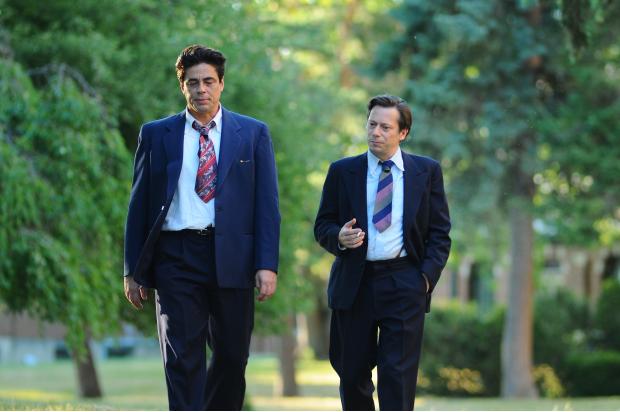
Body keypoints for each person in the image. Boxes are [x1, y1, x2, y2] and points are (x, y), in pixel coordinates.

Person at [123, 45, 280, 411]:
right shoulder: (156, 134)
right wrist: (132, 270)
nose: (201, 89)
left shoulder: (252, 134)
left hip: (233, 257)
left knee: (232, 357)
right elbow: (139, 206)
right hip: (175, 256)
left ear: (221, 84)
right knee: (182, 358)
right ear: (183, 86)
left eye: (209, 81)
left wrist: (266, 264)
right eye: (193, 82)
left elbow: (266, 205)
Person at [314, 95, 451, 410]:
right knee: (352, 375)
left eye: (385, 127)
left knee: (398, 379)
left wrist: (424, 280)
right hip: (354, 283)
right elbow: (323, 225)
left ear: (403, 133)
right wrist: (339, 237)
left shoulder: (426, 171)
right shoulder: (342, 171)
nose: (375, 132)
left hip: (405, 282)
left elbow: (440, 233)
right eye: (372, 124)